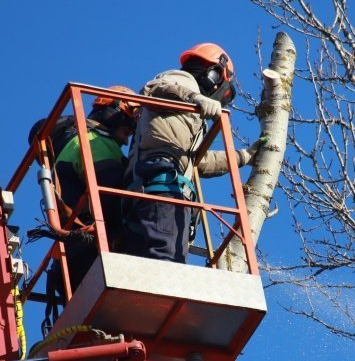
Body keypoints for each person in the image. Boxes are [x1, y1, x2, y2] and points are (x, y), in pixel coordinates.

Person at [122, 43, 266, 263]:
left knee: (167, 262)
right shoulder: (181, 80)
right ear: (213, 75)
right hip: (161, 189)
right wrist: (195, 98)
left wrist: (244, 156)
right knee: (164, 263)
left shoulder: (188, 117)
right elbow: (154, 88)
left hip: (166, 192)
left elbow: (200, 161)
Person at [28, 86, 139, 287]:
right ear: (114, 113)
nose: (125, 140)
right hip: (97, 249)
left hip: (72, 259)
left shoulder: (67, 152)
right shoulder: (95, 140)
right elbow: (110, 191)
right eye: (126, 131)